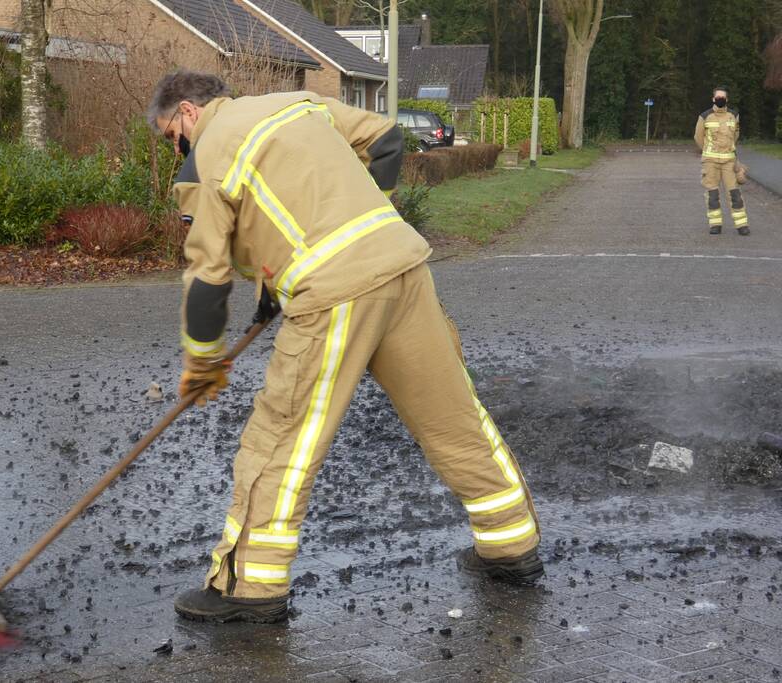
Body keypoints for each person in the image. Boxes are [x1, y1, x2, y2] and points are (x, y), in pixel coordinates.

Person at [147, 70, 543, 624]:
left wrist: (204, 359)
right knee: (454, 418)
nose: (177, 148)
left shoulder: (210, 153)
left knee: (280, 441)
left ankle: (248, 588)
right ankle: (511, 546)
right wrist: (353, 233)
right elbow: (386, 140)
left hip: (334, 298)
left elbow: (208, 276)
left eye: (172, 135)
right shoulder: (297, 103)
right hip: (403, 268)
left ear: (188, 112)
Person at [694, 87, 750, 236]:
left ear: (727, 99)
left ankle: (742, 225)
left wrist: (728, 150)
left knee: (735, 194)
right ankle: (715, 225)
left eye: (723, 97)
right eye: (718, 97)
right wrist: (707, 150)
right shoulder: (705, 116)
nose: (720, 99)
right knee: (712, 195)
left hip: (729, 162)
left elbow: (735, 136)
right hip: (710, 162)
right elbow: (698, 138)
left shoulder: (734, 115)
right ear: (713, 99)